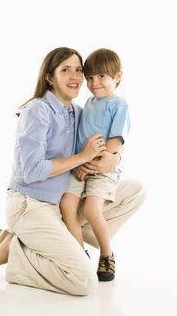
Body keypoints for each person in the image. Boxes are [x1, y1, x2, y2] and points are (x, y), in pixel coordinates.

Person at [0, 47, 145, 296]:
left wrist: (114, 158)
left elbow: (109, 138)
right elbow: (33, 170)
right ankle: (14, 249)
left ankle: (71, 243)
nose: (76, 76)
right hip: (31, 203)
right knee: (83, 281)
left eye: (79, 70)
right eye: (65, 70)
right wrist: (82, 158)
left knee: (136, 191)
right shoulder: (37, 111)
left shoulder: (78, 111)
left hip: (62, 201)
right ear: (49, 77)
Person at [60, 48, 130, 282]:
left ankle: (107, 254)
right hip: (80, 166)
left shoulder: (119, 104)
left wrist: (93, 163)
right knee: (67, 205)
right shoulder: (89, 102)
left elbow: (115, 141)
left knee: (91, 209)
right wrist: (81, 161)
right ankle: (79, 255)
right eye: (90, 77)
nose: (94, 82)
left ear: (117, 76)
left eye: (101, 76)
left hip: (101, 168)